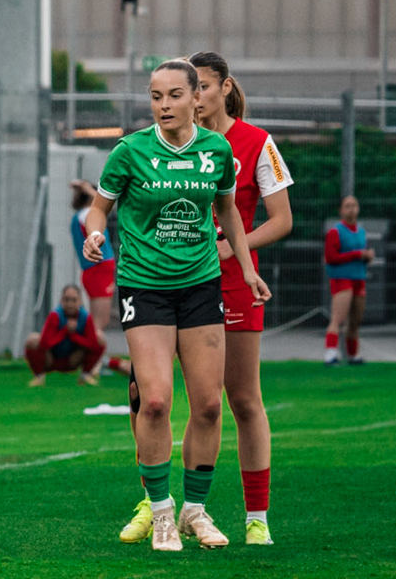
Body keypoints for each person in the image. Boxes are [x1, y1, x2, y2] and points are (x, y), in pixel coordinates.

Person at [81, 60, 268, 553]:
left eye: (173, 95)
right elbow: (99, 205)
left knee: (209, 404)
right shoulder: (130, 151)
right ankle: (160, 513)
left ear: (196, 99)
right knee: (157, 399)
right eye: (155, 96)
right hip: (144, 286)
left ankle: (195, 512)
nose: (163, 105)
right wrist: (95, 229)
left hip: (202, 285)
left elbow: (227, 209)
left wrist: (247, 270)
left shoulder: (217, 150)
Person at [121, 52, 296, 547]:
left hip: (229, 281)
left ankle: (254, 516)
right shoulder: (159, 140)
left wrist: (233, 252)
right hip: (158, 281)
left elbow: (281, 219)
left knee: (237, 399)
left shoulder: (255, 143)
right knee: (147, 395)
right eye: (180, 91)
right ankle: (153, 505)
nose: (188, 99)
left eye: (197, 89)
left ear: (221, 88)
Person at [69, 179, 127, 375]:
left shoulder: (79, 215)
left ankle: (96, 362)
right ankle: (94, 365)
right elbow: (103, 206)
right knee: (99, 324)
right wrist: (89, 189)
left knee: (96, 322)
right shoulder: (87, 213)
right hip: (99, 269)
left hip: (93, 271)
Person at [24, 284, 106, 386]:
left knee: (100, 338)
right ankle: (39, 377)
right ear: (61, 301)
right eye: (66, 300)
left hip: (73, 360)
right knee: (33, 340)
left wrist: (74, 336)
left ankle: (85, 375)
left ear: (80, 301)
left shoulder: (85, 318)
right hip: (51, 359)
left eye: (74, 300)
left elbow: (93, 344)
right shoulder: (55, 316)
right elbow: (44, 343)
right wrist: (65, 331)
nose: (70, 304)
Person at [324, 195, 371, 366]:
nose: (351, 209)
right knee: (338, 317)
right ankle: (330, 353)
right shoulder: (335, 232)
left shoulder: (361, 231)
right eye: (347, 206)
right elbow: (330, 257)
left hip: (359, 277)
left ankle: (353, 354)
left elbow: (361, 252)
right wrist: (357, 255)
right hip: (342, 278)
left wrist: (366, 257)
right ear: (341, 210)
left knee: (356, 320)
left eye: (354, 205)